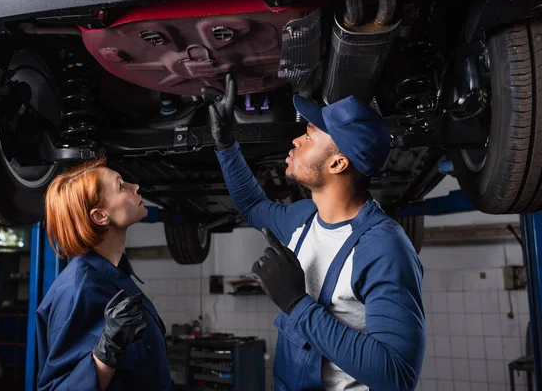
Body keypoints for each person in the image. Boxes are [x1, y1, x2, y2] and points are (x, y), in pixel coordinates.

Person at [204, 74, 425, 391]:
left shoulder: (383, 248)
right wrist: (226, 145)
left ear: (337, 163)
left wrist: (297, 304)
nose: (296, 140)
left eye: (309, 136)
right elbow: (253, 205)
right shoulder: (303, 218)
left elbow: (396, 375)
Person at [35, 158, 172, 391]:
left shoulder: (115, 276)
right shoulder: (77, 289)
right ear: (100, 216)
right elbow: (54, 388)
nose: (135, 187)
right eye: (121, 186)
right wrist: (107, 351)